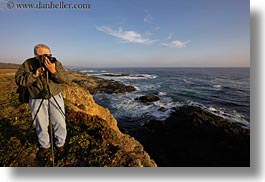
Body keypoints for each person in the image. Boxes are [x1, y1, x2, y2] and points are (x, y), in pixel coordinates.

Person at [15, 44, 68, 158]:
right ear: (35, 55)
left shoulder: (55, 63)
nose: (47, 57)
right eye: (43, 55)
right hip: (36, 97)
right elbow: (19, 80)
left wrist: (53, 71)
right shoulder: (28, 64)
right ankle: (44, 146)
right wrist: (34, 75)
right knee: (40, 123)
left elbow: (65, 79)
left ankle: (60, 144)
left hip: (54, 95)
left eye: (49, 54)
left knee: (60, 122)